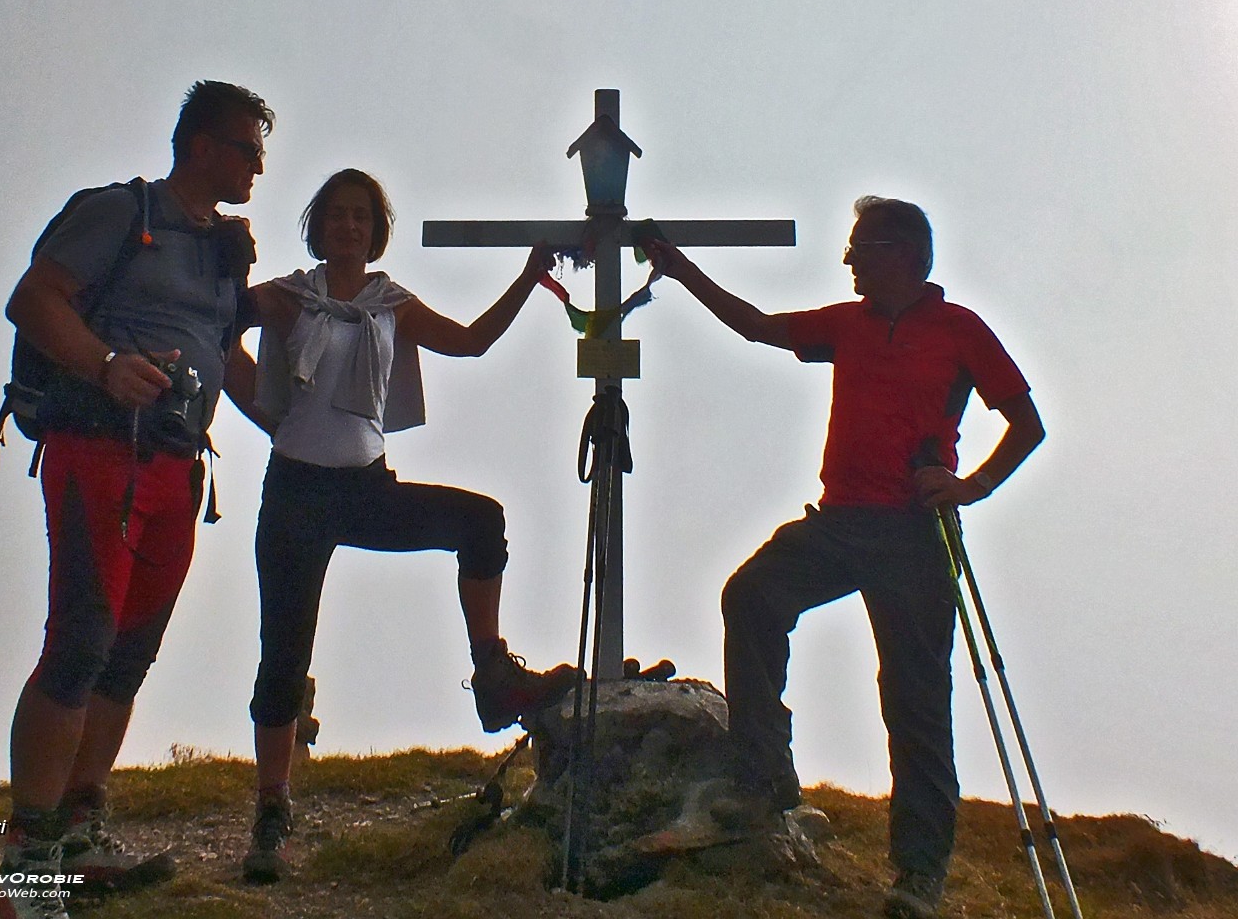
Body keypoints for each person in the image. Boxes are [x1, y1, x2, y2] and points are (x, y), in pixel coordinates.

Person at [643, 196, 1044, 919]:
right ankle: (764, 776)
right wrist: (679, 270)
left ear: (902, 254)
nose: (849, 259)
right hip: (841, 521)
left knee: (916, 707)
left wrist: (971, 485)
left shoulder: (958, 331)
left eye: (861, 247)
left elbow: (1026, 422)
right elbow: (759, 328)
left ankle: (917, 878)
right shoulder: (848, 323)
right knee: (753, 597)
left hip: (916, 534)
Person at [232, 168, 580, 884]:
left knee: (481, 523)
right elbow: (214, 327)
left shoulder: (391, 304)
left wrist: (528, 275)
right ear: (319, 226)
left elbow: (472, 341)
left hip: (366, 487)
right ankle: (273, 812)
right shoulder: (288, 297)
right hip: (296, 491)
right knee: (283, 658)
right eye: (337, 215)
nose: (349, 227)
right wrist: (258, 408)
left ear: (375, 228)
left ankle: (492, 672)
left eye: (361, 216)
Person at [0, 80, 274, 918]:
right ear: (199, 146)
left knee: (128, 652)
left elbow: (234, 370)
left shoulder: (225, 253)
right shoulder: (121, 211)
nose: (258, 165)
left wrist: (324, 416)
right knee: (81, 639)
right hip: (97, 451)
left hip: (177, 465)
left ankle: (80, 830)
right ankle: (28, 862)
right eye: (245, 148)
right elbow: (32, 298)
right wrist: (105, 364)